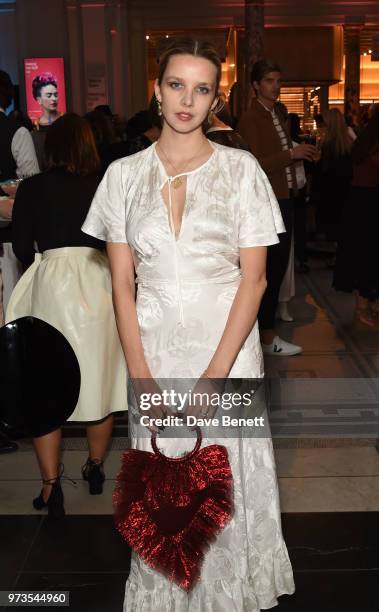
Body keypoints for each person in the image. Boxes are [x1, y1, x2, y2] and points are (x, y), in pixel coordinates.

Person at [82, 37, 295, 611]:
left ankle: (234, 593)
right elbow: (120, 284)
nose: (187, 100)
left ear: (215, 98)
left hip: (227, 347)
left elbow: (254, 281)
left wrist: (214, 378)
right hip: (153, 347)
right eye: (177, 85)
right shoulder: (123, 177)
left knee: (227, 472)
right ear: (157, 91)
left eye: (201, 89)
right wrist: (141, 374)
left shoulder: (241, 170)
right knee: (163, 483)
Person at [6, 114, 127, 516]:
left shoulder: (33, 187)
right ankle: (94, 467)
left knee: (45, 389)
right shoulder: (104, 185)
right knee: (101, 382)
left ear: (52, 148)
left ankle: (50, 487)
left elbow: (22, 247)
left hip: (51, 290)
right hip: (99, 284)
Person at [238, 59, 317, 356]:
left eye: (278, 80)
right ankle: (266, 338)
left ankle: (264, 336)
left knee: (277, 268)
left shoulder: (274, 114)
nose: (276, 86)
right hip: (267, 202)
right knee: (268, 271)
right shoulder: (251, 118)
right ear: (256, 85)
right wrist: (291, 153)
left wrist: (298, 155)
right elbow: (254, 162)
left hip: (282, 198)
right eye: (269, 80)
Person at [333, 110, 379, 328]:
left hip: (358, 203)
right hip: (369, 204)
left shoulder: (364, 140)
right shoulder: (372, 145)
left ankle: (366, 306)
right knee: (367, 257)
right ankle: (364, 307)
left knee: (362, 255)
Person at [313, 108, 352, 257]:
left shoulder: (328, 144)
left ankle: (333, 257)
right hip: (344, 190)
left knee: (331, 228)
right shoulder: (347, 143)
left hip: (329, 192)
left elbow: (324, 172)